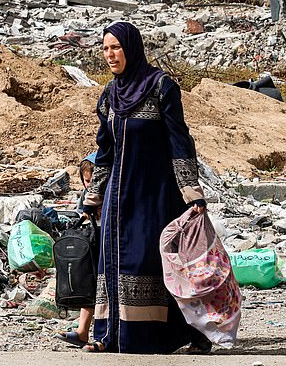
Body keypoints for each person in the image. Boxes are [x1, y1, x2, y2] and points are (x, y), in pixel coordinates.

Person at [81, 21, 211, 354]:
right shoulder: (110, 95)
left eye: (117, 48)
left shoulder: (161, 87)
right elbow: (105, 151)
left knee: (148, 262)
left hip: (154, 195)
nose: (110, 55)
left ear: (132, 48)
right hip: (117, 200)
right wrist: (93, 195)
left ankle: (169, 336)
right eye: (106, 48)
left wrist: (191, 193)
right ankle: (110, 336)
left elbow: (180, 142)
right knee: (113, 263)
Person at [55, 152, 99, 347]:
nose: (89, 185)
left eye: (92, 180)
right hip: (94, 244)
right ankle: (82, 331)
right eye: (86, 181)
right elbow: (84, 213)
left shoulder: (115, 193)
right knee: (88, 284)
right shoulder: (87, 194)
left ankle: (98, 332)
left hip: (110, 246)